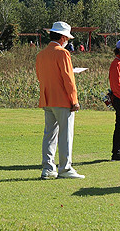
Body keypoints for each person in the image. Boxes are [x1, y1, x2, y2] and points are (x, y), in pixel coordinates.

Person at [35, 21, 84, 179]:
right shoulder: (62, 53)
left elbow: (40, 77)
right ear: (63, 37)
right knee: (65, 135)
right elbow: (68, 80)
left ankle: (48, 168)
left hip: (47, 99)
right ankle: (65, 168)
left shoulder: (41, 54)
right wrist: (74, 100)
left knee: (49, 135)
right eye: (67, 38)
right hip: (63, 101)